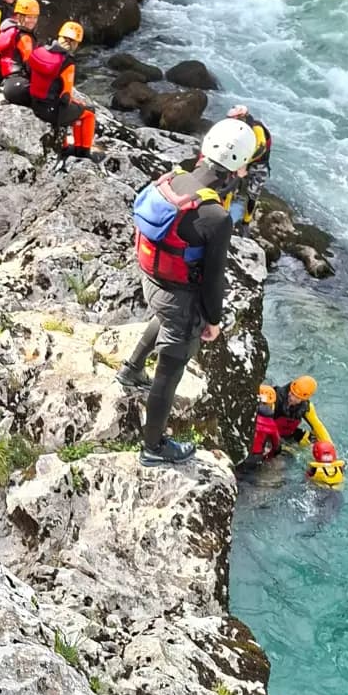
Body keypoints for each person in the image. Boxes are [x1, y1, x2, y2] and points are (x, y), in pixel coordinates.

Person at [117, 116, 258, 467]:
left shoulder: (172, 179)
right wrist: (213, 321)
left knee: (166, 316)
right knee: (170, 370)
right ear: (239, 168)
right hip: (177, 296)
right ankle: (153, 447)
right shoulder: (216, 217)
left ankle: (132, 370)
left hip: (151, 280)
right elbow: (213, 278)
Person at [1, 20, 99, 163]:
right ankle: (83, 152)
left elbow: (29, 72)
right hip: (51, 111)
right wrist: (79, 105)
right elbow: (65, 97)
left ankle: (65, 144)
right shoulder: (67, 62)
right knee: (88, 113)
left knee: (69, 108)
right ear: (75, 43)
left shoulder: (40, 51)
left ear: (60, 36)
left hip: (35, 104)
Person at [0, 0, 40, 89]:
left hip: (7, 82)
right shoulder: (24, 37)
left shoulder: (9, 31)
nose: (32, 21)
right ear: (19, 16)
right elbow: (30, 66)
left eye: (35, 17)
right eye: (29, 17)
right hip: (20, 82)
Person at [226, 105, 272, 224]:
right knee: (229, 186)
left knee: (253, 194)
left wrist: (244, 163)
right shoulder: (237, 128)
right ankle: (224, 213)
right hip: (240, 160)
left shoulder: (257, 128)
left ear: (242, 117)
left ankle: (246, 221)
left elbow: (260, 148)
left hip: (258, 165)